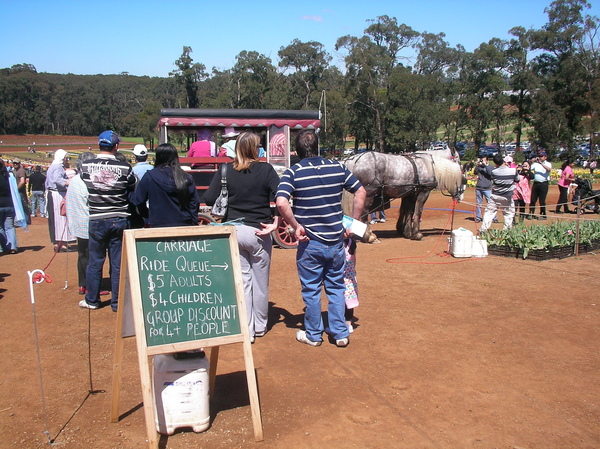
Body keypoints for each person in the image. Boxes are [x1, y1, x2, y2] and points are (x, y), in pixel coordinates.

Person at [276, 129, 366, 348]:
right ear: (318, 147)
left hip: (310, 243)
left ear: (297, 150)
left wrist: (296, 226)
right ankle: (340, 333)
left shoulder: (293, 172)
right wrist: (352, 225)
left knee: (311, 289)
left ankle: (314, 334)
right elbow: (361, 192)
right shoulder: (338, 167)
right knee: (336, 287)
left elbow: (281, 202)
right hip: (336, 241)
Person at [205, 132, 280, 343]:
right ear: (255, 149)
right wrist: (275, 221)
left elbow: (209, 197)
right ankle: (260, 326)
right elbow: (281, 196)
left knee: (243, 281)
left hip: (234, 230)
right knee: (260, 282)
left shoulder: (225, 169)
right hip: (259, 231)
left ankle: (246, 329)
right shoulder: (266, 170)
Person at [79, 131, 136, 312]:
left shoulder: (86, 166)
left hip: (96, 218)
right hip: (119, 217)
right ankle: (117, 302)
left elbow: (84, 181)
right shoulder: (125, 168)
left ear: (98, 145)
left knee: (95, 261)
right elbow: (132, 185)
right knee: (117, 263)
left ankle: (92, 299)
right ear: (116, 146)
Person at [131, 143, 199, 227]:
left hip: (159, 223)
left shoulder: (150, 176)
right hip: (184, 222)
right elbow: (194, 202)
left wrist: (147, 214)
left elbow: (139, 200)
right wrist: (193, 220)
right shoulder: (186, 177)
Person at [65, 152, 96, 295]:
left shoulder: (75, 180)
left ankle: (82, 284)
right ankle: (91, 285)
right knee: (92, 257)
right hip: (88, 223)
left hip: (77, 223)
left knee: (82, 255)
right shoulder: (88, 180)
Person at [479, 153, 520, 232]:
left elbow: (492, 174)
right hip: (507, 196)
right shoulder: (513, 171)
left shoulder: (494, 172)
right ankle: (507, 231)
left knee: (489, 213)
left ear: (495, 163)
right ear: (504, 161)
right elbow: (517, 180)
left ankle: (483, 229)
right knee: (508, 214)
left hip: (495, 196)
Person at [45, 149, 75, 250]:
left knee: (58, 219)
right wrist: (70, 182)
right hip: (57, 194)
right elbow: (57, 179)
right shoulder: (57, 167)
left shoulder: (54, 166)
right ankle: (60, 243)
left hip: (54, 193)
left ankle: (59, 243)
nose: (67, 159)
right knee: (60, 218)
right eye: (66, 157)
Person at [0, 159, 18, 254]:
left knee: (0, 227)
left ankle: (4, 246)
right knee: (10, 227)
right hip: (9, 203)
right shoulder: (9, 176)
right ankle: (13, 246)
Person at [529, 150, 552, 220]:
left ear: (545, 157)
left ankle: (543, 215)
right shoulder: (535, 164)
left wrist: (541, 163)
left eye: (541, 156)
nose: (540, 158)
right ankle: (531, 213)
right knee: (533, 200)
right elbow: (529, 168)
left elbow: (548, 169)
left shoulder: (548, 164)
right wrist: (531, 161)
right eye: (539, 156)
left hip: (544, 184)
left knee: (542, 200)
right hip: (536, 183)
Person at [343, 238, 359, 334]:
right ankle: (349, 323)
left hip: (338, 278)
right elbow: (354, 259)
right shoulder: (351, 242)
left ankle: (341, 324)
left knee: (338, 301)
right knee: (349, 302)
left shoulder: (335, 243)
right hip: (350, 278)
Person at [473, 156, 493, 223]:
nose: (482, 161)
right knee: (479, 203)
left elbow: (490, 173)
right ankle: (478, 217)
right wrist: (477, 165)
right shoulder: (479, 167)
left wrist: (485, 166)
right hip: (479, 187)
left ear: (487, 160)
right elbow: (475, 172)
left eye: (483, 160)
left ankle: (494, 217)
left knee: (490, 203)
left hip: (487, 188)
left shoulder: (490, 167)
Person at [13, 158, 31, 225]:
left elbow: (22, 181)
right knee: (20, 205)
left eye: (16, 163)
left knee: (23, 205)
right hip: (19, 190)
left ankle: (26, 220)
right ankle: (24, 220)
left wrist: (16, 189)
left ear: (19, 163)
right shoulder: (16, 171)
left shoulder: (21, 171)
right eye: (14, 163)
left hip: (20, 191)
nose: (15, 164)